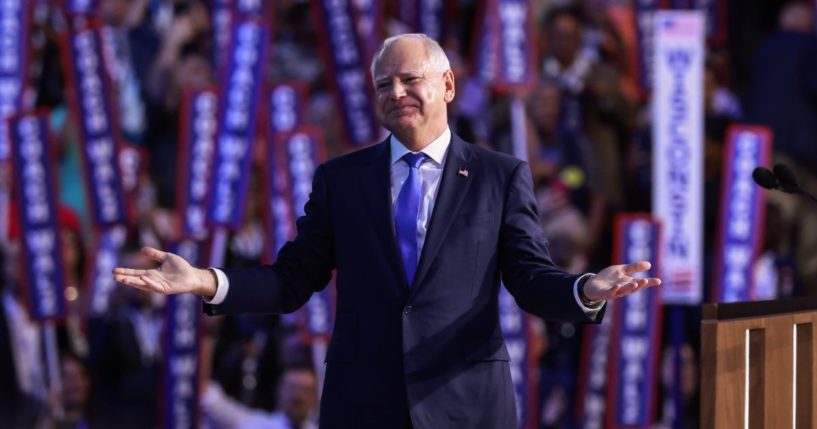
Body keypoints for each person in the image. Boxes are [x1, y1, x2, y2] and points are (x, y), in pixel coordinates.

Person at [114, 33, 661, 429]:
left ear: (447, 85)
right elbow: (290, 281)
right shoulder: (341, 179)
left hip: (464, 404)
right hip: (364, 403)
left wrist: (583, 290)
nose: (395, 91)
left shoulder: (499, 176)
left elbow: (529, 276)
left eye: (409, 79)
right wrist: (206, 282)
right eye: (383, 84)